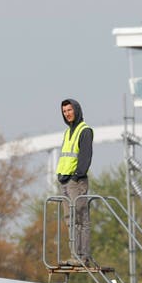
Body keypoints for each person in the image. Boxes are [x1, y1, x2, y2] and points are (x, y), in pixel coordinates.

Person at [56, 98, 93, 262]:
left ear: (76, 110)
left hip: (76, 182)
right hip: (64, 181)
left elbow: (85, 156)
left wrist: (78, 175)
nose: (67, 114)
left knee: (80, 219)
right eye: (64, 111)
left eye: (69, 110)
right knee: (70, 220)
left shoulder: (84, 130)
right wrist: (60, 176)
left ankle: (82, 256)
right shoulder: (67, 132)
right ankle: (74, 255)